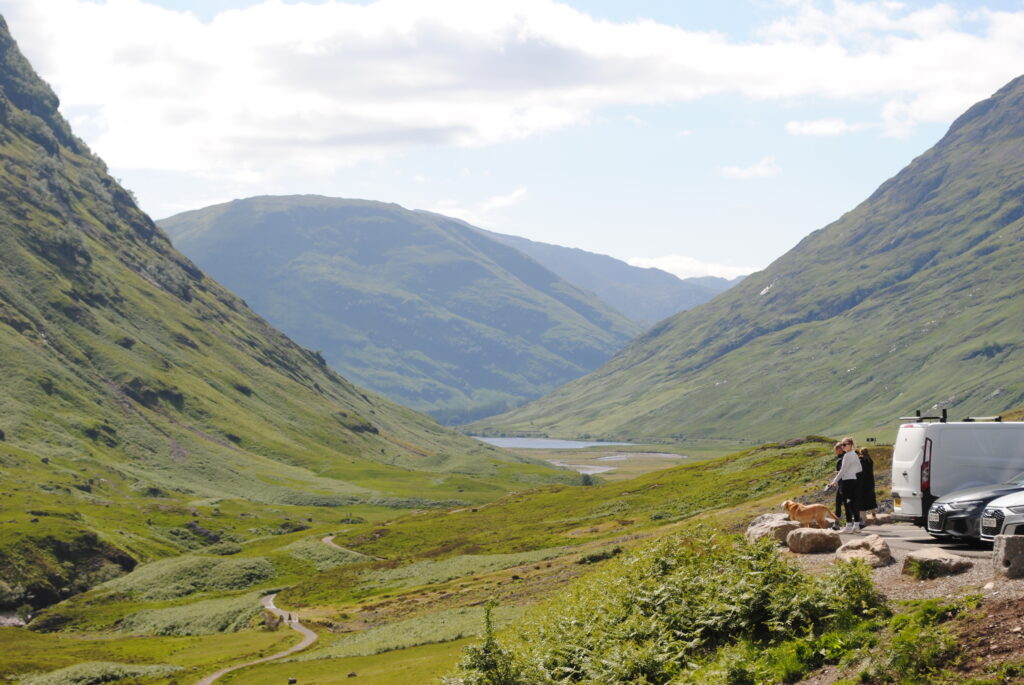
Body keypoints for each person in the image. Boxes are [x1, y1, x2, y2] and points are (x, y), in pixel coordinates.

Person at [827, 437, 862, 532]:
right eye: (842, 444)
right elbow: (859, 469)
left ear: (850, 445)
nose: (843, 446)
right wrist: (851, 471)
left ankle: (848, 526)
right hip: (854, 480)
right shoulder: (854, 454)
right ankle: (857, 526)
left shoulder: (847, 455)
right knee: (854, 503)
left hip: (847, 481)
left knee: (847, 504)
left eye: (845, 444)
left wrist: (834, 481)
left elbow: (842, 471)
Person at [856, 448, 878, 524]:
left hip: (862, 483)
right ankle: (873, 513)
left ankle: (863, 517)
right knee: (871, 498)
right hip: (870, 482)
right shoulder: (870, 460)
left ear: (861, 453)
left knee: (862, 500)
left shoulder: (861, 461)